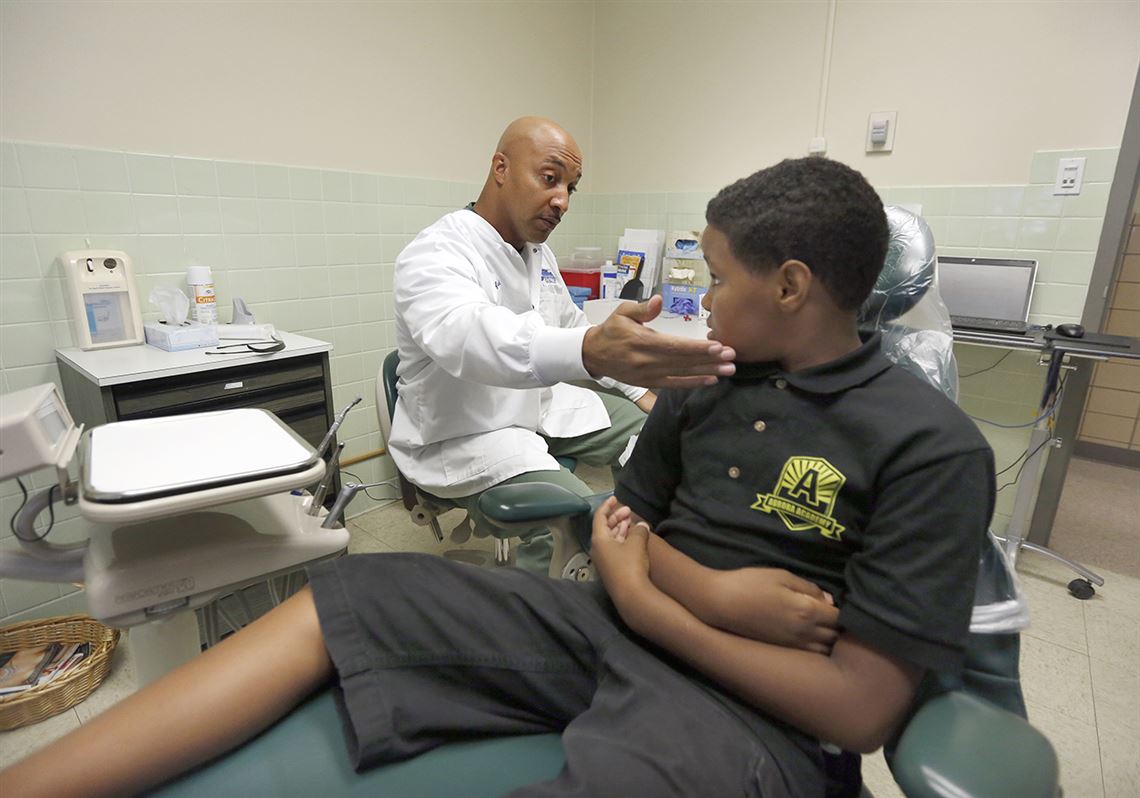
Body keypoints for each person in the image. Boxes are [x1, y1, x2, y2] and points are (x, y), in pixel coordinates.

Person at [0, 157, 994, 798]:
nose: (702, 297)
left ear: (791, 287)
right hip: (617, 621)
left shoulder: (930, 447)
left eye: (720, 278)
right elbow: (619, 528)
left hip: (753, 713)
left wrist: (655, 597)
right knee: (356, 596)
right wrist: (687, 594)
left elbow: (859, 710)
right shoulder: (710, 379)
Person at [388, 116, 736, 571]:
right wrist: (589, 349)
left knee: (659, 435)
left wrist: (638, 390)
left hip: (538, 405)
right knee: (574, 526)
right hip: (468, 433)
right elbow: (468, 336)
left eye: (571, 187)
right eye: (550, 178)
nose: (562, 201)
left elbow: (572, 326)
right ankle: (544, 599)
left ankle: (641, 541)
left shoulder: (538, 253)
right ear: (500, 168)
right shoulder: (436, 252)